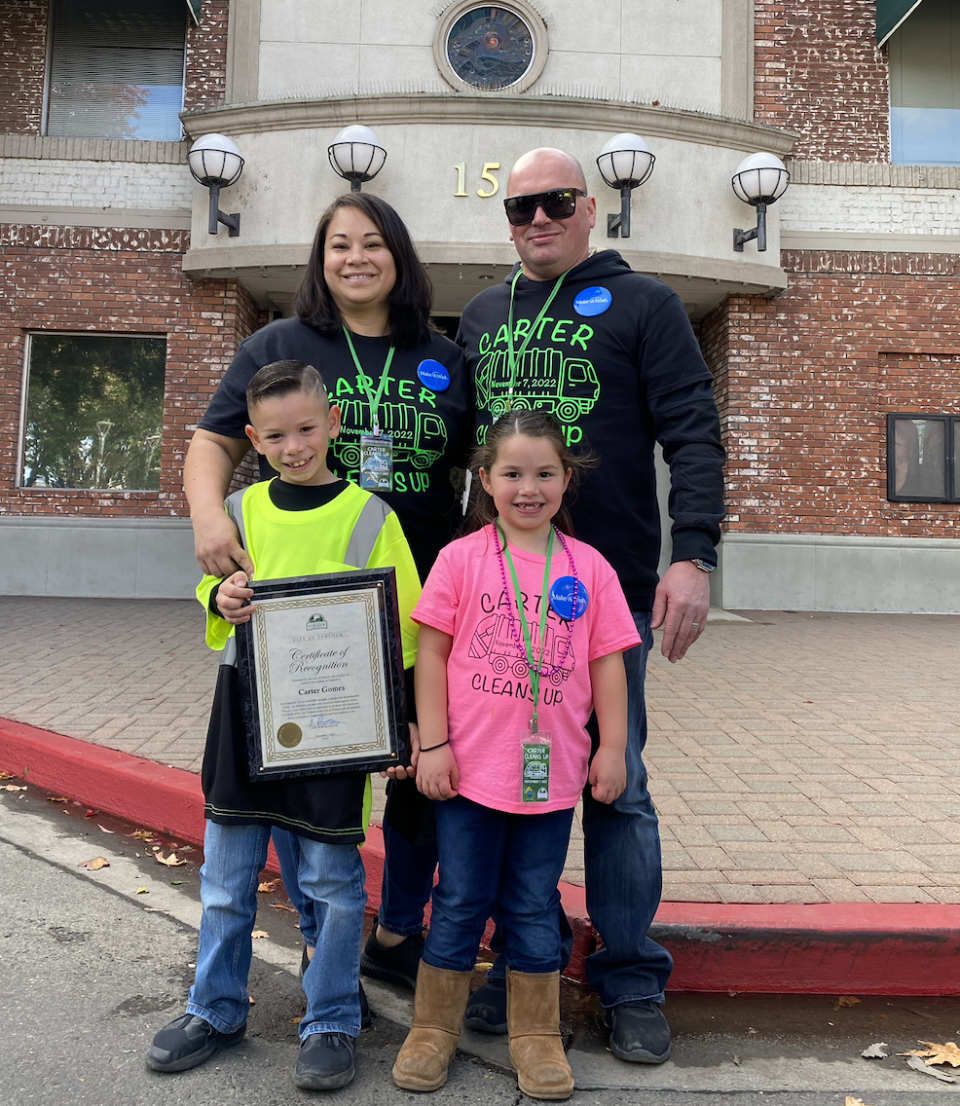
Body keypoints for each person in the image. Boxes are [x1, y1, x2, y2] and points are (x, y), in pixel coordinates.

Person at [456, 148, 725, 1063]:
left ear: (590, 208)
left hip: (601, 598)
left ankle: (630, 977)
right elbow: (454, 449)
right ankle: (520, 963)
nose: (537, 218)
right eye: (520, 205)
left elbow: (693, 429)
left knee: (618, 785)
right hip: (495, 595)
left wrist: (692, 556)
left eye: (555, 201)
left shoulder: (645, 304)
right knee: (503, 788)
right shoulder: (484, 315)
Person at [183, 192, 473, 994]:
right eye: (338, 244)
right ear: (320, 258)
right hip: (311, 622)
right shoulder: (282, 342)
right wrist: (210, 520)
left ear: (399, 254)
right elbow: (213, 437)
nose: (355, 258)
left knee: (415, 775)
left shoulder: (443, 356)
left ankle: (394, 930)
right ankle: (320, 936)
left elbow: (482, 466)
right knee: (296, 770)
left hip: (424, 605)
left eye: (373, 243)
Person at [146, 360, 421, 1089]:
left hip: (336, 727)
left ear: (333, 423)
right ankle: (214, 1007)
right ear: (254, 440)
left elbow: (406, 636)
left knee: (332, 883)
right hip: (244, 715)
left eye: (306, 428)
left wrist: (406, 724)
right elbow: (213, 587)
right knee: (226, 878)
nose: (294, 445)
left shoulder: (371, 516)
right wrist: (222, 595)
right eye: (276, 435)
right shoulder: (240, 512)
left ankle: (331, 1017)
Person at [392, 411, 640, 1100]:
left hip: (552, 780)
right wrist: (433, 743)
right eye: (512, 474)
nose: (528, 488)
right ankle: (432, 1027)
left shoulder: (589, 568)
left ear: (567, 479)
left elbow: (610, 665)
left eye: (544, 474)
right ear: (485, 480)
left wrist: (613, 748)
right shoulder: (461, 558)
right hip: (468, 774)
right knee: (461, 899)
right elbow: (433, 656)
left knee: (533, 904)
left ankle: (534, 1033)